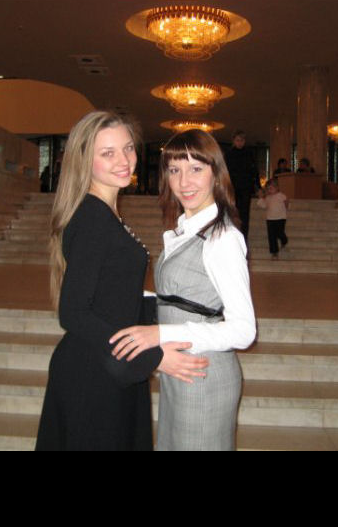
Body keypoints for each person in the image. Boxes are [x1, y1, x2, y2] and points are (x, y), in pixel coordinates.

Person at [34, 111, 209, 451]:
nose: (124, 161)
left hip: (111, 362)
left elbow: (111, 291)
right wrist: (153, 358)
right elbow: (73, 312)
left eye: (128, 148)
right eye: (108, 153)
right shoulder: (92, 218)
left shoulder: (104, 212)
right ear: (85, 161)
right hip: (95, 373)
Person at [109, 129, 256, 451]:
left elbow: (244, 331)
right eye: (174, 170)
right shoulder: (184, 231)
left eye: (196, 169)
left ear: (216, 174)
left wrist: (159, 333)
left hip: (203, 373)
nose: (184, 181)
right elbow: (180, 301)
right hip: (179, 369)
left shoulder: (222, 238)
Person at [224, 129, 261, 239]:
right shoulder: (229, 154)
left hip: (246, 187)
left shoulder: (249, 153)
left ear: (244, 141)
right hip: (233, 187)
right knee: (233, 212)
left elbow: (254, 170)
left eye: (242, 140)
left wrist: (258, 186)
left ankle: (244, 238)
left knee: (245, 214)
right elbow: (225, 171)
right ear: (233, 141)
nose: (240, 142)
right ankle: (233, 237)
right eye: (238, 140)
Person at [256, 178, 289, 259]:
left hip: (280, 218)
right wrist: (260, 198)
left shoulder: (281, 196)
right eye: (268, 189)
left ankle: (284, 240)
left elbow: (286, 203)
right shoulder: (268, 198)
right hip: (270, 219)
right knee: (272, 236)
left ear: (277, 187)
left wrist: (286, 206)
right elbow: (263, 205)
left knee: (280, 232)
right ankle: (274, 252)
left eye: (271, 188)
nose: (269, 190)